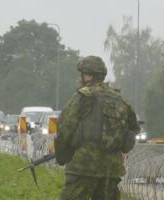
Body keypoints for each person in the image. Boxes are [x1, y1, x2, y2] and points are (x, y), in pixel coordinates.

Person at [54, 55, 139, 200]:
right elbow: (133, 129)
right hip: (111, 170)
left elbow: (65, 128)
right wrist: (121, 148)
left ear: (87, 75)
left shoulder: (82, 97)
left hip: (83, 167)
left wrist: (62, 155)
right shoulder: (119, 99)